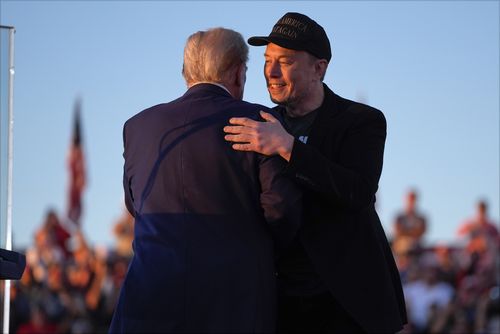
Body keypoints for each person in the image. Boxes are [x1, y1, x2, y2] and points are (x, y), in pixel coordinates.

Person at [109, 27, 301, 333]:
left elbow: (135, 204)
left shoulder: (138, 127)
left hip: (148, 303)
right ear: (239, 73)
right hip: (235, 305)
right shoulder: (262, 123)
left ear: (186, 73)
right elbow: (282, 209)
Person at [224, 12, 407, 333]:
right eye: (267, 60)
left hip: (346, 300)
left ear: (319, 68)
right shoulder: (259, 122)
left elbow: (358, 191)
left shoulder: (361, 120)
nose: (273, 72)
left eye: (286, 61)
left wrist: (288, 147)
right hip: (282, 299)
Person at [392, 189, 427, 256]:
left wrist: (406, 232)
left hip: (417, 248)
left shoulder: (421, 218)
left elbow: (421, 232)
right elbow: (398, 232)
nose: (411, 202)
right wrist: (413, 232)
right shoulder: (399, 217)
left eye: (413, 199)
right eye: (410, 199)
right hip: (401, 248)